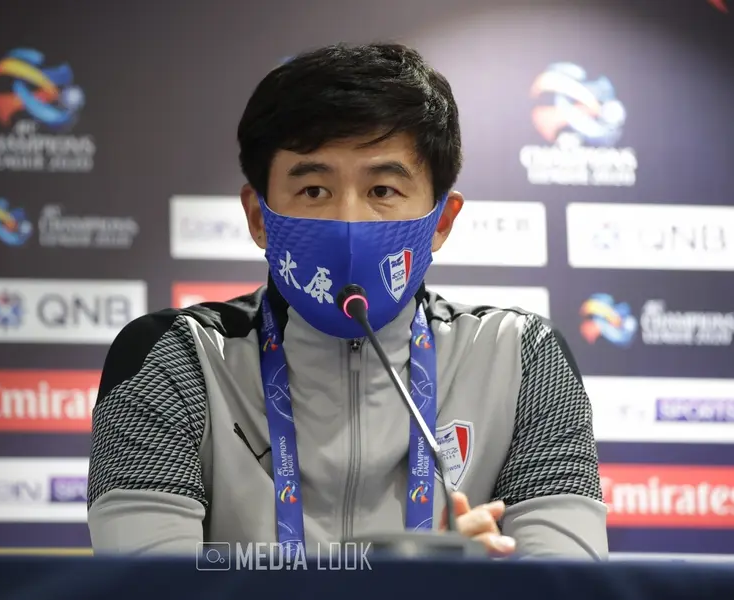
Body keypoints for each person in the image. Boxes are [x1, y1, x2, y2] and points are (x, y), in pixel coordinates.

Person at [87, 42, 608, 559]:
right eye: (314, 190)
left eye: (383, 190)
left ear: (441, 222)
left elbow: (570, 582)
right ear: (259, 218)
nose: (349, 221)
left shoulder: (520, 357)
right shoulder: (177, 358)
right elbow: (147, 587)